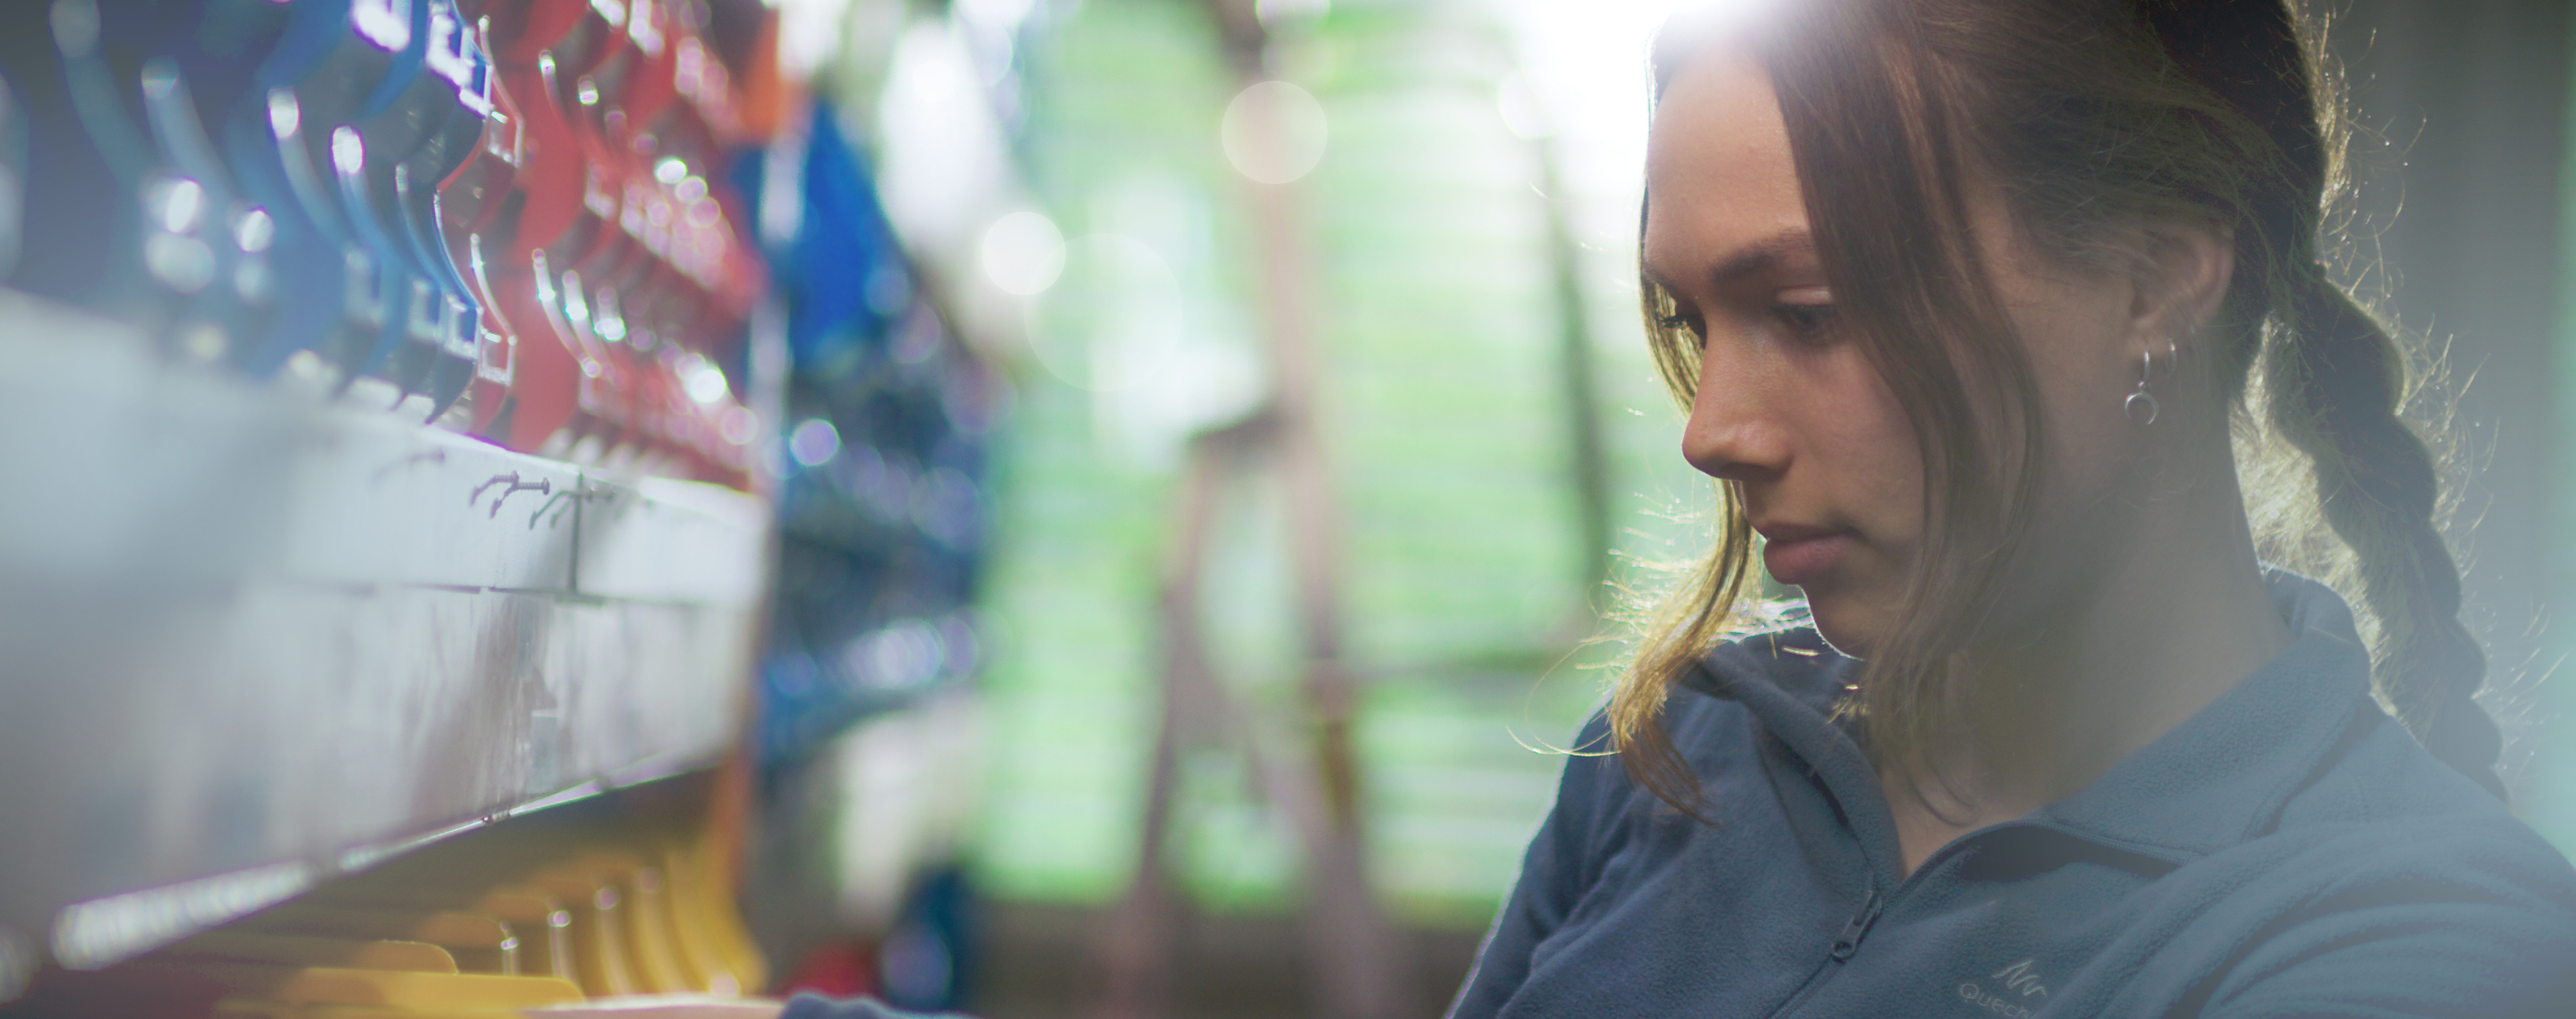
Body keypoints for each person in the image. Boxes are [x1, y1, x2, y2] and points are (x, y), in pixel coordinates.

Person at [1445, 0, 2576, 1016]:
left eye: (1808, 311)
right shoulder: (1678, 748)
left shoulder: (2422, 941)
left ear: (2154, 277)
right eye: (1695, 322)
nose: (1710, 432)